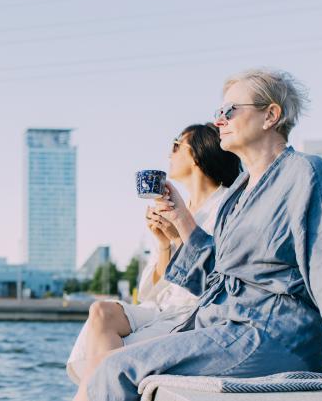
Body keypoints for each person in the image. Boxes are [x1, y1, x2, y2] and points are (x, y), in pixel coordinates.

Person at [76, 68, 322, 401]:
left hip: (274, 334)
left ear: (270, 115)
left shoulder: (306, 175)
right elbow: (220, 279)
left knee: (116, 368)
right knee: (112, 361)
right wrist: (183, 220)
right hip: (228, 328)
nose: (219, 121)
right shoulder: (238, 194)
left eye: (229, 110)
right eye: (218, 111)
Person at [66, 123, 240, 384]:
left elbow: (217, 275)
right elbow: (151, 290)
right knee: (101, 311)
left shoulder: (228, 206)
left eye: (175, 145)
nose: (169, 154)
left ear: (196, 155)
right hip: (160, 307)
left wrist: (178, 235)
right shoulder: (175, 208)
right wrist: (163, 244)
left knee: (104, 352)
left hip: (192, 312)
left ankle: (99, 391)